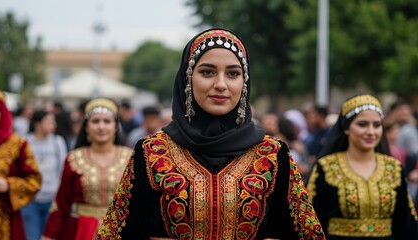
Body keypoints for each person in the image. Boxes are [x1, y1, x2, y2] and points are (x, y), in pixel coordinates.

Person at [97, 28, 325, 239]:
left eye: (233, 74)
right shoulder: (151, 153)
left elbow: (306, 233)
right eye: (207, 72)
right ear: (188, 78)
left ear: (244, 83)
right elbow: (117, 232)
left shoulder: (273, 155)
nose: (221, 84)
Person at [306, 94, 418, 239]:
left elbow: (406, 223)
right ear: (346, 128)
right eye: (362, 124)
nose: (371, 132)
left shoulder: (393, 168)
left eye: (377, 125)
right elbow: (310, 222)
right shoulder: (326, 167)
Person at [41, 98, 132, 239]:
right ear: (86, 127)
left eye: (107, 121)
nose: (101, 127)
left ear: (115, 126)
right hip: (81, 230)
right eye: (95, 121)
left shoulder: (130, 157)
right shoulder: (74, 159)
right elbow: (61, 204)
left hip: (122, 230)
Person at [0, 87, 41, 239]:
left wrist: (9, 185)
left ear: (2, 112)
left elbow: (34, 181)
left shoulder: (18, 145)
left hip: (3, 216)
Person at [21, 110, 67, 240]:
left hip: (52, 199)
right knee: (32, 236)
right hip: (30, 199)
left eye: (53, 121)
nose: (53, 125)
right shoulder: (25, 142)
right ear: (37, 124)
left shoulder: (58, 142)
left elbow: (63, 169)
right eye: (48, 121)